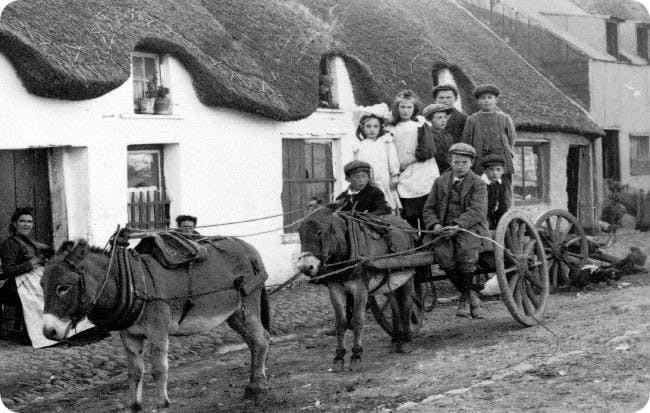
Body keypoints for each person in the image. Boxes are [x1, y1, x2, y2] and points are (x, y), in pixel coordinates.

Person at [0, 207, 93, 348]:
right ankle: (47, 332)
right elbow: (7, 271)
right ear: (14, 223)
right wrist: (32, 262)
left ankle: (69, 329)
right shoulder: (9, 244)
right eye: (22, 221)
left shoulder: (29, 241)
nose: (26, 225)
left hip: (33, 278)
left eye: (29, 222)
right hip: (15, 284)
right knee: (44, 296)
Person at [422, 143, 489, 319]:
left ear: (472, 163)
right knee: (443, 254)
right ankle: (472, 296)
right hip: (443, 229)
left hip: (469, 228)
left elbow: (477, 211)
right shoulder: (440, 182)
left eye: (464, 162)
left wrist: (458, 226)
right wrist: (435, 225)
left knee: (466, 252)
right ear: (450, 162)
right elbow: (428, 209)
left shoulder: (478, 184)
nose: (460, 166)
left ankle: (464, 300)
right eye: (456, 162)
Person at [386, 90, 439, 231]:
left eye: (409, 107)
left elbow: (429, 149)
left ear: (414, 108)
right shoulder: (391, 128)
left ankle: (428, 239)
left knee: (425, 209)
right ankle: (413, 240)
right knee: (409, 212)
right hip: (402, 173)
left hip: (421, 170)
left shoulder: (420, 125)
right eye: (402, 107)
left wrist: (409, 160)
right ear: (396, 108)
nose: (405, 110)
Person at [461, 84, 517, 191]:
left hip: (502, 162)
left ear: (496, 100)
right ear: (478, 101)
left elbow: (511, 138)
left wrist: (506, 151)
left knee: (503, 191)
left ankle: (503, 207)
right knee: (481, 190)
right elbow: (466, 142)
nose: (486, 101)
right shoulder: (472, 120)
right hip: (480, 163)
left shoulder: (504, 118)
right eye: (483, 98)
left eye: (490, 97)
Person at [352, 103, 401, 212]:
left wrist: (395, 176)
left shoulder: (385, 141)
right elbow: (356, 165)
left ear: (381, 127)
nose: (372, 130)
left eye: (375, 126)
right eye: (368, 126)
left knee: (387, 203)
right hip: (367, 181)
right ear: (362, 128)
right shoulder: (360, 145)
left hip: (383, 179)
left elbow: (393, 160)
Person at [422, 103, 454, 174]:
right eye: (439, 118)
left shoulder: (447, 135)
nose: (443, 120)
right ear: (429, 120)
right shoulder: (428, 135)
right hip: (433, 171)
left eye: (445, 117)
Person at [481, 154, 512, 230]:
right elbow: (480, 209)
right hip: (481, 216)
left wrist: (502, 223)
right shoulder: (480, 184)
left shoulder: (501, 184)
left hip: (495, 216)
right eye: (491, 169)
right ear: (484, 170)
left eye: (498, 169)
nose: (495, 173)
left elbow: (503, 205)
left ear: (503, 171)